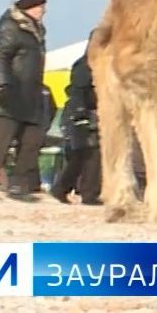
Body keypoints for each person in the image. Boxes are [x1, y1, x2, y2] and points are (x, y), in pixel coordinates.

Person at [0, 0, 50, 203]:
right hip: (8, 96)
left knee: (32, 141)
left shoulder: (36, 31)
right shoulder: (11, 26)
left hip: (29, 96)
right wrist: (3, 85)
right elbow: (0, 57)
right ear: (30, 7)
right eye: (41, 7)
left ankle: (19, 183)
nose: (43, 12)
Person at [51, 44, 101, 206]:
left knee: (89, 155)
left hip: (90, 113)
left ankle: (86, 193)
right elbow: (78, 90)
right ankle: (68, 189)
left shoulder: (98, 64)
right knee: (82, 155)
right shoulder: (84, 65)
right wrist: (80, 113)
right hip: (82, 114)